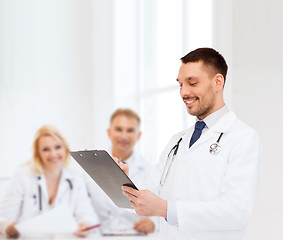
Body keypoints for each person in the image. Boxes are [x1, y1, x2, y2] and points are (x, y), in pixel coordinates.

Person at [121, 48, 263, 240]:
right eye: (180, 85)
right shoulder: (177, 141)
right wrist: (123, 183)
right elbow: (151, 191)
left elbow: (235, 211)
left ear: (217, 82)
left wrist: (165, 209)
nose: (184, 92)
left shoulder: (243, 138)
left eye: (192, 83)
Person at [0, 125, 100, 238]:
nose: (53, 154)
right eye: (46, 149)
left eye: (58, 147)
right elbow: (3, 218)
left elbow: (86, 214)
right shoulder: (23, 176)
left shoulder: (75, 176)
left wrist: (85, 225)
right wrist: (9, 227)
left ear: (65, 148)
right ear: (38, 153)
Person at [85, 108, 155, 234]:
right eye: (118, 129)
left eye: (130, 130)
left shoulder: (150, 170)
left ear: (138, 135)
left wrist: (153, 223)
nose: (124, 136)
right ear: (109, 132)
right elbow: (82, 206)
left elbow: (159, 207)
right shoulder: (90, 166)